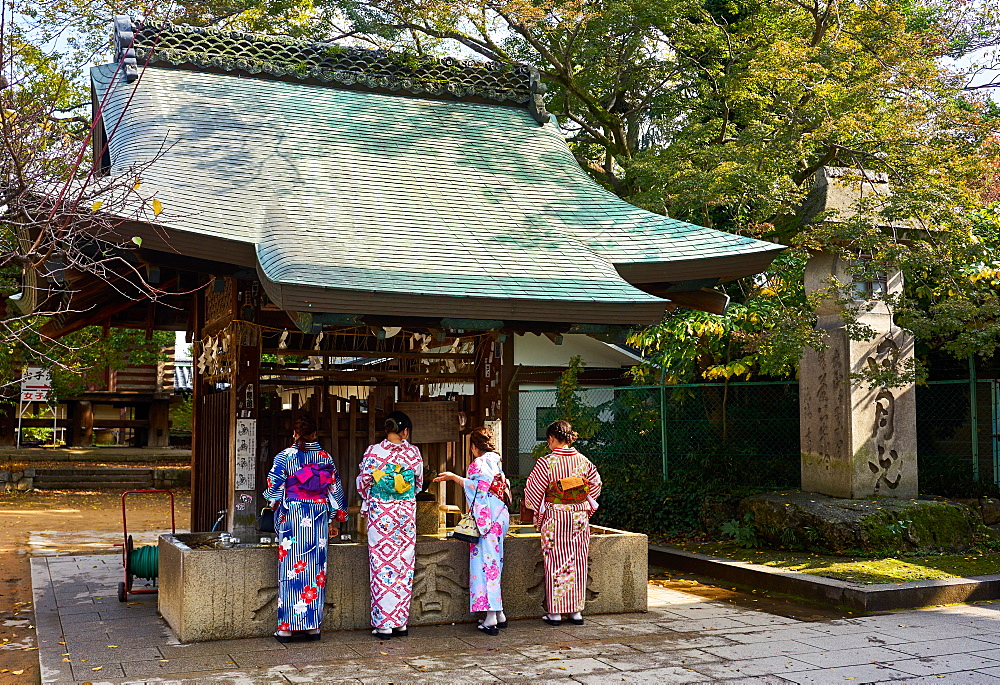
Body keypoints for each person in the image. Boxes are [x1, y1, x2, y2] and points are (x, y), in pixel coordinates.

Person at [263, 413, 347, 643]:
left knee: (290, 571)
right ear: (315, 434)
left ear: (295, 433)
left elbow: (272, 489)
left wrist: (278, 500)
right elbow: (334, 490)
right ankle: (312, 627)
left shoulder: (285, 457)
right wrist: (335, 518)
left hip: (293, 516)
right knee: (315, 570)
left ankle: (287, 628)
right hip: (318, 516)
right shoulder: (324, 457)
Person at [523, 419, 602, 626]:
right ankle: (576, 612)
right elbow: (596, 484)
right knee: (577, 559)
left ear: (551, 438)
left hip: (556, 516)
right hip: (577, 516)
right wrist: (582, 502)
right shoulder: (583, 461)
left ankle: (556, 613)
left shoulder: (546, 462)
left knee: (555, 561)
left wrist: (539, 510)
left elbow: (532, 491)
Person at [433, 426, 511, 635]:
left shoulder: (478, 464)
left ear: (474, 447)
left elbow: (476, 489)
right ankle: (499, 612)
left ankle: (491, 618)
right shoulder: (496, 462)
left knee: (485, 566)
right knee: (495, 564)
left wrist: (453, 477)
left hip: (486, 518)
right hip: (500, 515)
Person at [357, 410, 423, 639]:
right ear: (405, 431)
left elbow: (364, 482)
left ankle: (384, 623)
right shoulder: (413, 453)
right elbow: (418, 484)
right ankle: (400, 622)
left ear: (387, 429)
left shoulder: (373, 451)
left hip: (381, 515)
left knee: (381, 563)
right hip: (404, 514)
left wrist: (376, 495)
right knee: (403, 563)